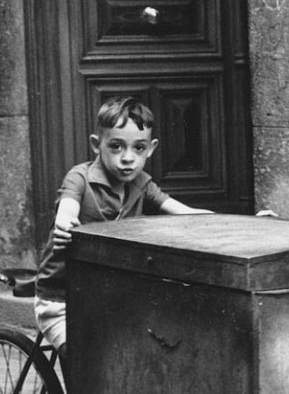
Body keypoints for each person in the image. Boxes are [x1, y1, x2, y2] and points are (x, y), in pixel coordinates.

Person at [34, 96, 211, 352]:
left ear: (151, 148)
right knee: (85, 362)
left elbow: (190, 215)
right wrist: (65, 224)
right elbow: (67, 209)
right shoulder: (80, 178)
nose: (128, 158)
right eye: (116, 146)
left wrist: (246, 225)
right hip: (61, 299)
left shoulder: (142, 185)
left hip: (107, 296)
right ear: (97, 144)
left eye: (138, 148)